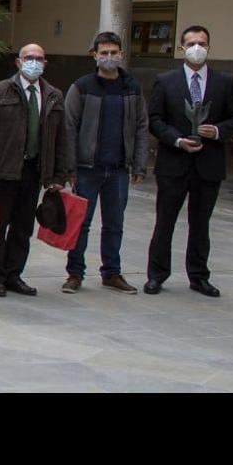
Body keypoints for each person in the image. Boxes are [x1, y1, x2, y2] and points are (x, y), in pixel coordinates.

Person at [145, 25, 233, 297]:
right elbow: (155, 119)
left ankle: (199, 276)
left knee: (201, 224)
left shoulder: (224, 82)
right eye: (191, 44)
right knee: (165, 222)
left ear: (209, 47)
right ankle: (156, 275)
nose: (197, 48)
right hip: (174, 163)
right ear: (181, 48)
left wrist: (218, 131)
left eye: (202, 43)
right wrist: (176, 140)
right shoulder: (166, 81)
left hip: (208, 165)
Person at [0, 42, 71, 297]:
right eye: (29, 58)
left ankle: (13, 274)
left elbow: (61, 138)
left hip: (34, 170)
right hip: (4, 171)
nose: (34, 62)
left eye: (39, 58)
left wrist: (59, 175)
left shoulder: (53, 95)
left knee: (23, 227)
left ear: (45, 63)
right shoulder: (0, 90)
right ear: (18, 62)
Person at [61, 31, 147, 295]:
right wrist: (70, 167)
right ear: (94, 55)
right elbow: (69, 127)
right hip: (87, 169)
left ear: (122, 54)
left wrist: (139, 164)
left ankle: (111, 273)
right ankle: (75, 273)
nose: (109, 57)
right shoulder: (82, 87)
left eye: (113, 52)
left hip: (118, 169)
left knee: (114, 224)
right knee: (81, 224)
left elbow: (141, 126)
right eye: (104, 53)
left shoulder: (132, 88)